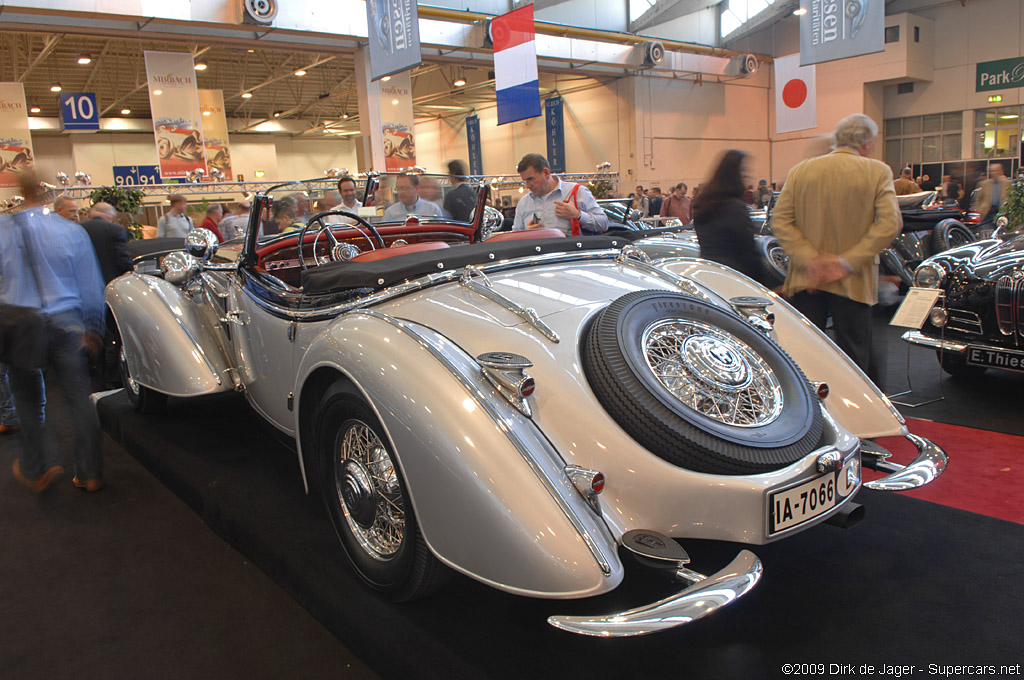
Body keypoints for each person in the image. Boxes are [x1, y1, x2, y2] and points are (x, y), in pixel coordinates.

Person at [771, 113, 901, 379]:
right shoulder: (877, 171)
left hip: (807, 280)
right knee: (853, 362)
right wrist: (843, 263)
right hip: (853, 281)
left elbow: (781, 221)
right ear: (866, 144)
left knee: (804, 358)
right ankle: (853, 417)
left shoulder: (800, 170)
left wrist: (811, 261)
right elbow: (889, 224)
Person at [1, 172, 106, 493]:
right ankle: (90, 473)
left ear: (21, 191)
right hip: (67, 321)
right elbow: (90, 283)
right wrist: (93, 327)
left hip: (20, 324)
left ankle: (37, 468)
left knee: (27, 399)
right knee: (78, 398)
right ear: (47, 193)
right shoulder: (70, 230)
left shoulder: (3, 230)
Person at [692, 150, 771, 286]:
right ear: (733, 173)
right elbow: (748, 251)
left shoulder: (702, 203)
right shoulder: (735, 207)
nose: (748, 175)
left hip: (708, 275)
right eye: (743, 170)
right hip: (735, 279)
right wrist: (765, 286)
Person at [511, 153, 608, 235]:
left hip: (569, 255)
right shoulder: (524, 203)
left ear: (546, 173)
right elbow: (515, 237)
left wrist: (578, 215)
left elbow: (603, 223)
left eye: (531, 179)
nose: (528, 185)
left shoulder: (577, 192)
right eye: (525, 181)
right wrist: (527, 234)